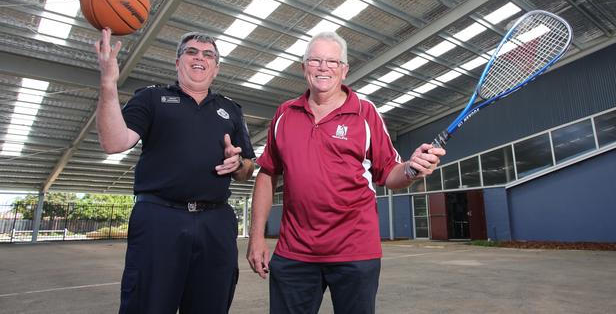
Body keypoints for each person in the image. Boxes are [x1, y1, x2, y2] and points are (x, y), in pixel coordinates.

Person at [246, 31, 445, 314]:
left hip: (354, 251)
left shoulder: (365, 113)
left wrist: (412, 169)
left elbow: (389, 173)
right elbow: (267, 174)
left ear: (344, 69)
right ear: (304, 68)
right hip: (295, 252)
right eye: (315, 60)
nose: (323, 67)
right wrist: (256, 238)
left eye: (332, 61)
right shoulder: (284, 114)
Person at [95, 28, 255, 314]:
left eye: (208, 55)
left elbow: (248, 169)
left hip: (215, 221)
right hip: (160, 219)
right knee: (148, 304)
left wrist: (237, 163)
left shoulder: (231, 110)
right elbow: (113, 142)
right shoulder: (151, 98)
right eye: (191, 52)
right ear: (178, 62)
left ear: (216, 68)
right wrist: (108, 84)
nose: (199, 58)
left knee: (212, 304)